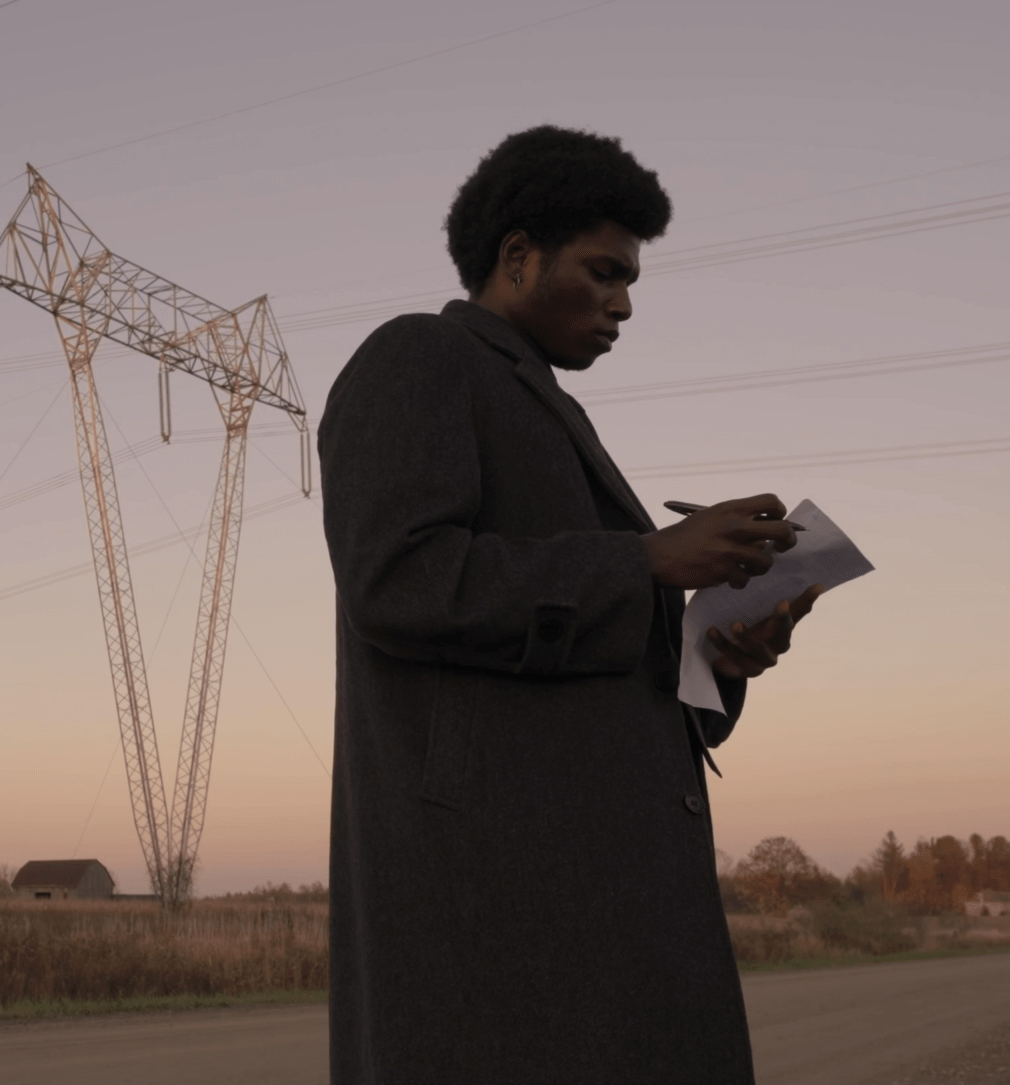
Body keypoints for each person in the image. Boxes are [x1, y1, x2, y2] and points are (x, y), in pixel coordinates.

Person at [318, 125, 826, 1083]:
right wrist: (646, 559)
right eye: (604, 272)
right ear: (518, 256)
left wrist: (716, 654)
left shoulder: (552, 412)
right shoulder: (418, 356)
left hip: (607, 905)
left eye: (629, 281)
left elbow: (604, 676)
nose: (624, 304)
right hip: (504, 917)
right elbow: (399, 579)